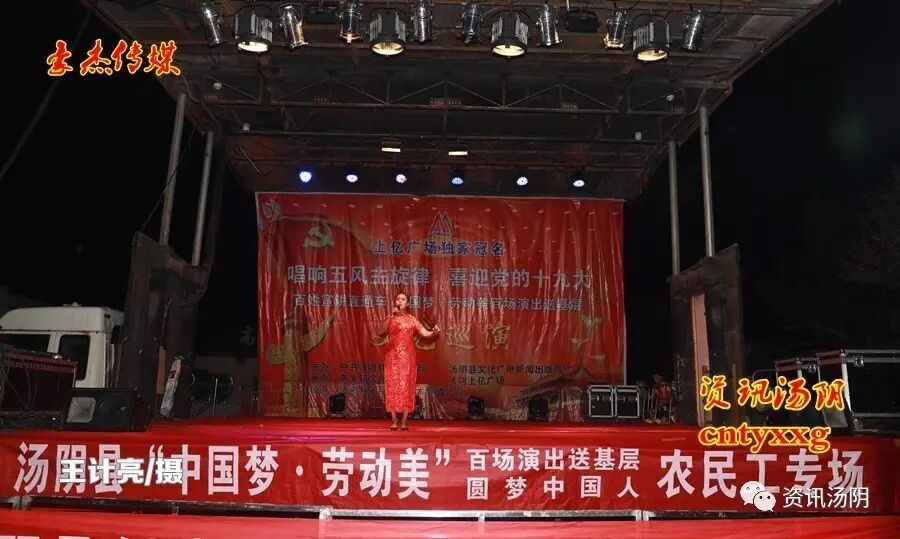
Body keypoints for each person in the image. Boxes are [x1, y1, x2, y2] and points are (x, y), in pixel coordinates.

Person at [377, 292, 440, 431]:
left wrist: (434, 332)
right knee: (392, 386)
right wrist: (390, 316)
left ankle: (405, 420)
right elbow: (380, 331)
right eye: (398, 299)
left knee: (407, 386)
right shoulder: (390, 318)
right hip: (392, 357)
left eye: (403, 299)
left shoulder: (412, 319)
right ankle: (394, 420)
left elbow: (425, 333)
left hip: (407, 357)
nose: (400, 301)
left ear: (408, 303)